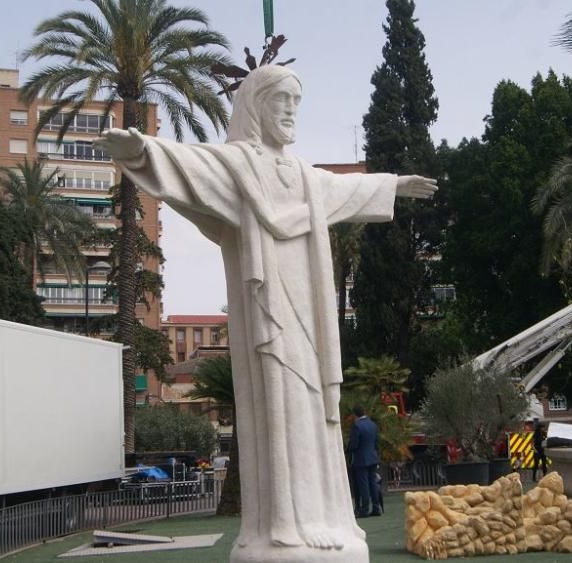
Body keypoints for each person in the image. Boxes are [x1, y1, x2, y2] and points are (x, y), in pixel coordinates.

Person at [95, 64, 435, 558]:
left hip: (310, 312)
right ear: (257, 106)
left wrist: (394, 185)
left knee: (314, 411)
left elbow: (343, 190)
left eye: (296, 103)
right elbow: (189, 166)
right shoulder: (239, 165)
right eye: (282, 101)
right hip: (269, 310)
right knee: (284, 408)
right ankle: (286, 523)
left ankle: (323, 515)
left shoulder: (302, 174)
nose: (291, 111)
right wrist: (142, 151)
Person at [347, 405, 381, 518]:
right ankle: (376, 507)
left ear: (355, 414)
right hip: (372, 457)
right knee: (373, 483)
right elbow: (376, 442)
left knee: (363, 485)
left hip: (361, 459)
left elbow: (354, 445)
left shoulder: (357, 426)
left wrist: (348, 449)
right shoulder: (372, 424)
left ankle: (364, 509)